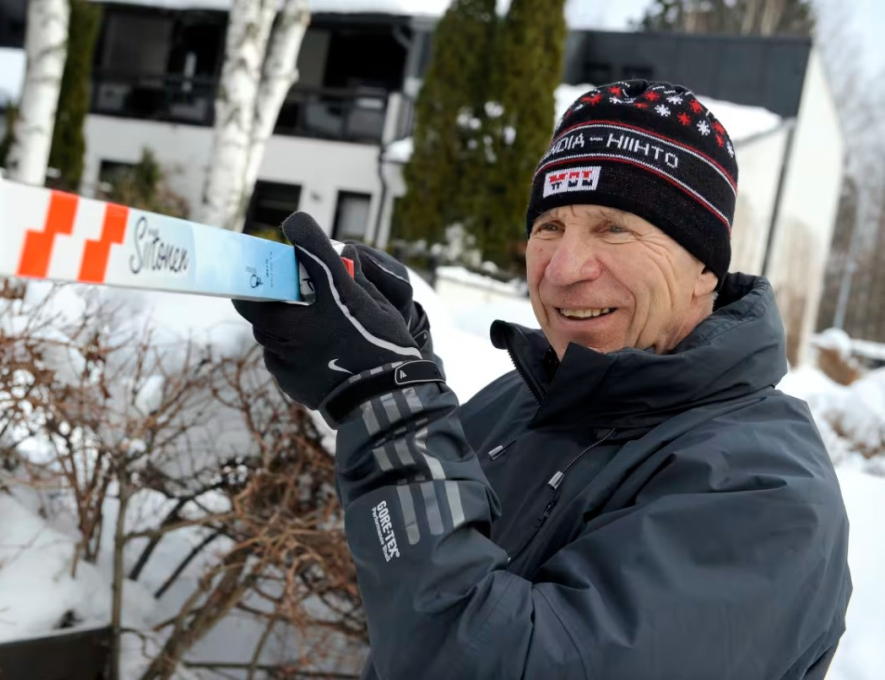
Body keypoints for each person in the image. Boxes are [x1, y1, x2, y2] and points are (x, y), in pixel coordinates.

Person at [232, 80, 851, 680]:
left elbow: (489, 658)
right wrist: (400, 367)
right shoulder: (529, 399)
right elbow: (425, 586)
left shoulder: (765, 492)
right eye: (549, 227)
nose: (562, 269)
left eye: (614, 227)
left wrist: (388, 405)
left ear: (703, 268)